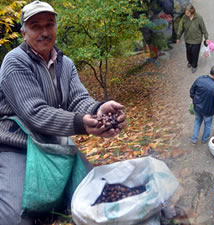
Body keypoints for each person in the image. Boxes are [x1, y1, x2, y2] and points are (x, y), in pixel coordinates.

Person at [0, 1, 126, 224]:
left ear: (57, 26)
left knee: (95, 193)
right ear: (23, 32)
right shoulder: (14, 62)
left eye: (50, 24)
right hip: (17, 144)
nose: (45, 32)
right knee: (14, 218)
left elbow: (78, 99)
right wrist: (82, 124)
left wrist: (98, 110)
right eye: (36, 26)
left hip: (53, 140)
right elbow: (35, 113)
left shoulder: (65, 63)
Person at [190, 65, 214, 144]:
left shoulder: (200, 79)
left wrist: (195, 100)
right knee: (207, 124)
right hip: (208, 111)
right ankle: (205, 139)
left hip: (197, 108)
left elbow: (191, 92)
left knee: (197, 121)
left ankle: (194, 139)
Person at [176, 3, 209, 73]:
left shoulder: (199, 18)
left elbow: (203, 28)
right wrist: (178, 37)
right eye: (185, 13)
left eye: (188, 13)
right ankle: (190, 62)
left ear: (192, 11)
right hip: (187, 39)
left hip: (197, 40)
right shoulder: (184, 18)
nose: (186, 14)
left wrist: (206, 38)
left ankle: (194, 65)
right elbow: (180, 28)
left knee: (195, 53)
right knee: (188, 52)